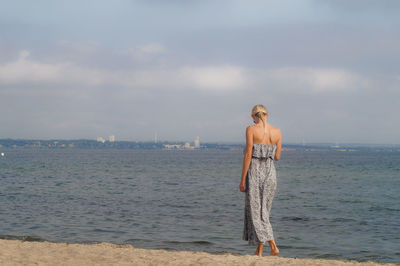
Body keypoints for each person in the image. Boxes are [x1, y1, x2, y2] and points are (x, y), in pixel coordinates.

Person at [239, 104, 281, 257]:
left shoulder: (251, 129)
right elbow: (277, 157)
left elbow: (248, 155)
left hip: (255, 173)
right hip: (270, 174)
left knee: (256, 213)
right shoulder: (277, 132)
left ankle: (273, 246)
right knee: (264, 213)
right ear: (267, 115)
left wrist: (242, 179)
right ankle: (259, 251)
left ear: (253, 116)